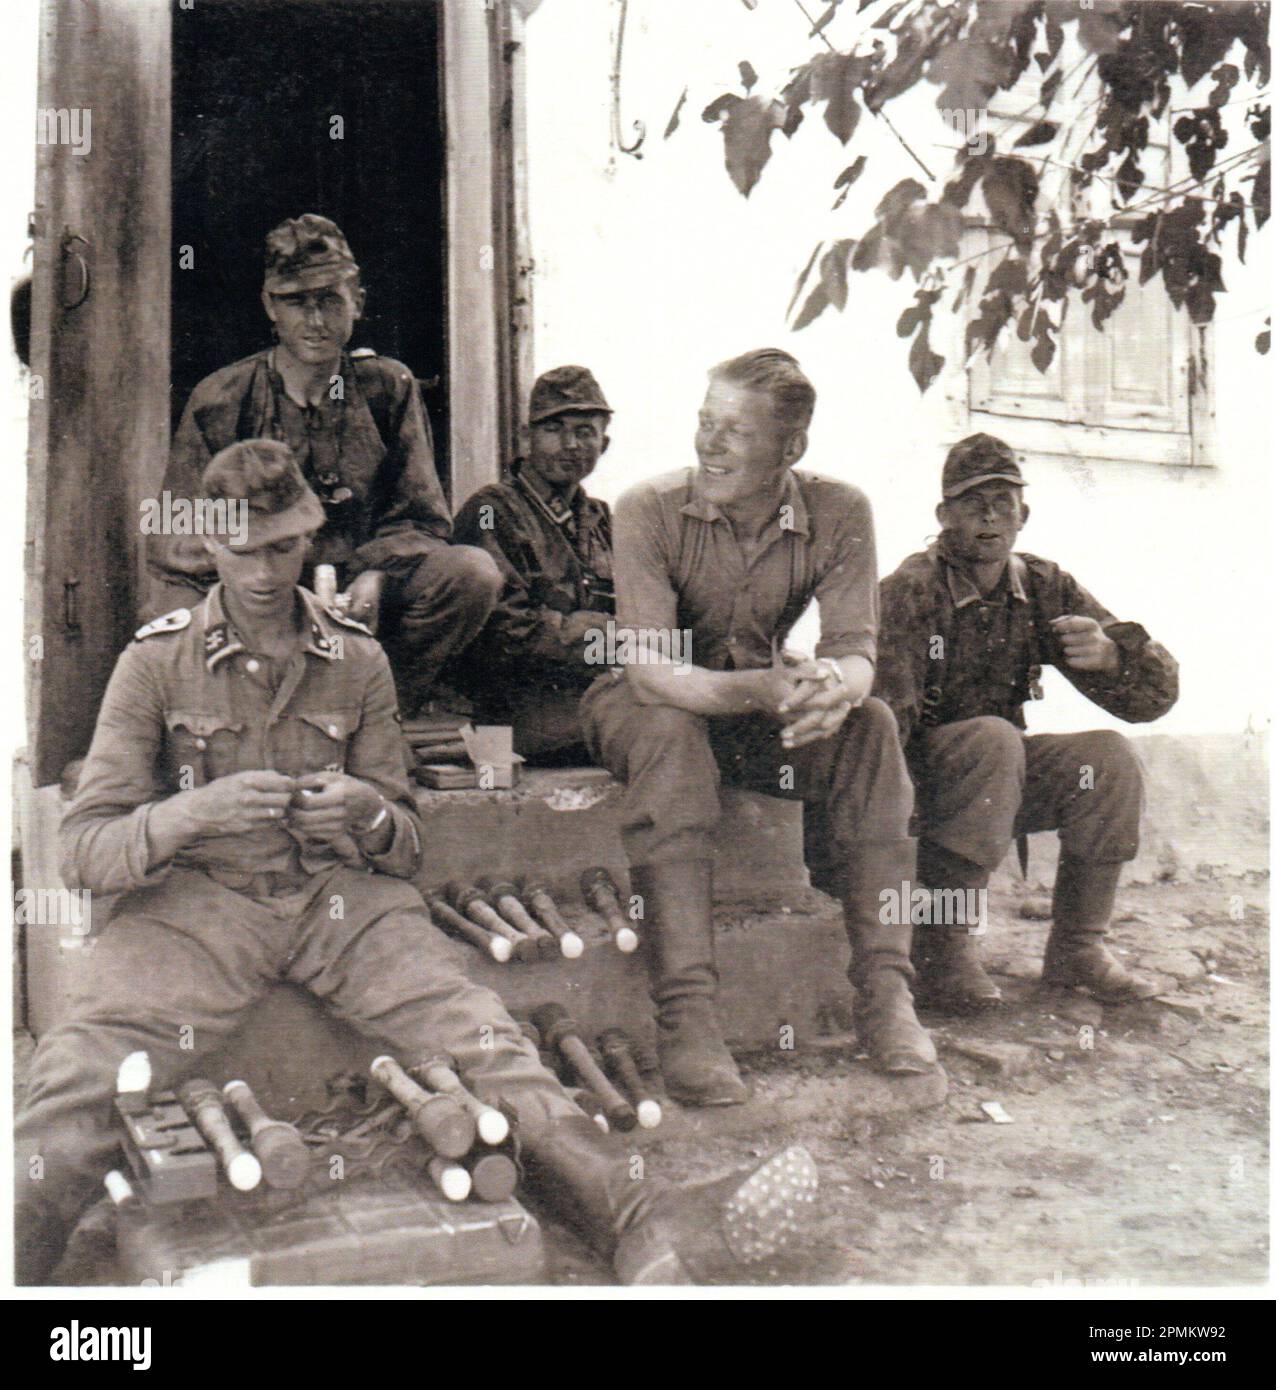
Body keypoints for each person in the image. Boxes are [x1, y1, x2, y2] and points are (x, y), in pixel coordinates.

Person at [15, 440, 817, 1287]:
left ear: (310, 542)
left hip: (344, 907)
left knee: (486, 1043)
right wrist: (188, 813)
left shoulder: (358, 658)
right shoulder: (152, 663)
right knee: (79, 1077)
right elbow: (84, 851)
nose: (262, 570)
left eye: (283, 547)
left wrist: (368, 813)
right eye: (242, 549)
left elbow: (406, 838)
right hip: (195, 911)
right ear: (209, 545)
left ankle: (637, 1223)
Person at [580, 349, 937, 1108]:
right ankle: (689, 1020)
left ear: (791, 448)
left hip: (751, 699)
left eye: (734, 432)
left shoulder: (840, 511)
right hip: (644, 703)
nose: (708, 446)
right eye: (705, 424)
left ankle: (886, 996)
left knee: (870, 727)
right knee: (674, 736)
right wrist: (762, 688)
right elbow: (650, 671)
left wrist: (827, 692)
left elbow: (856, 653)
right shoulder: (646, 508)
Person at [146, 213, 500, 716]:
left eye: (330, 300)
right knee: (171, 611)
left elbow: (423, 519)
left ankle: (375, 710)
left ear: (357, 300)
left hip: (356, 590)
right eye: (295, 302)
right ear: (270, 305)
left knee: (471, 574)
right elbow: (176, 535)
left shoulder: (387, 389)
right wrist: (269, 574)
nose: (314, 321)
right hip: (254, 580)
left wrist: (374, 573)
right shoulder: (222, 398)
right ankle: (234, 727)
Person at [874, 433, 1179, 1013]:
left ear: (1024, 515)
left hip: (998, 781)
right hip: (921, 793)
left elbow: (1152, 701)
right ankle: (943, 946)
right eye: (971, 503)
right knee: (992, 738)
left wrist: (1116, 658)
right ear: (943, 516)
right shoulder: (910, 592)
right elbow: (887, 732)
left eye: (1003, 502)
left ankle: (1078, 948)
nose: (989, 518)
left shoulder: (1042, 586)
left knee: (1106, 758)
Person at [450, 366, 615, 761]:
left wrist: (596, 630)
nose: (571, 444)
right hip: (518, 712)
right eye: (554, 429)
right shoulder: (491, 511)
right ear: (526, 437)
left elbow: (645, 615)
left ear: (603, 444)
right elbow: (510, 635)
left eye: (585, 431)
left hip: (593, 695)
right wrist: (611, 638)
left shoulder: (601, 519)